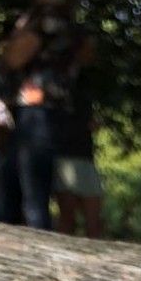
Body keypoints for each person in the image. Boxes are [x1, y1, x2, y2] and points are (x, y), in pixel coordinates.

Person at [0, 0, 87, 231]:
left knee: (32, 209)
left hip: (42, 116)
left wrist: (12, 45)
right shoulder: (37, 10)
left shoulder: (57, 7)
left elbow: (14, 56)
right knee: (8, 208)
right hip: (25, 114)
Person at [54, 70, 103, 239]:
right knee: (68, 218)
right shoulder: (56, 82)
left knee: (94, 221)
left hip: (85, 157)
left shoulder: (84, 82)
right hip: (66, 157)